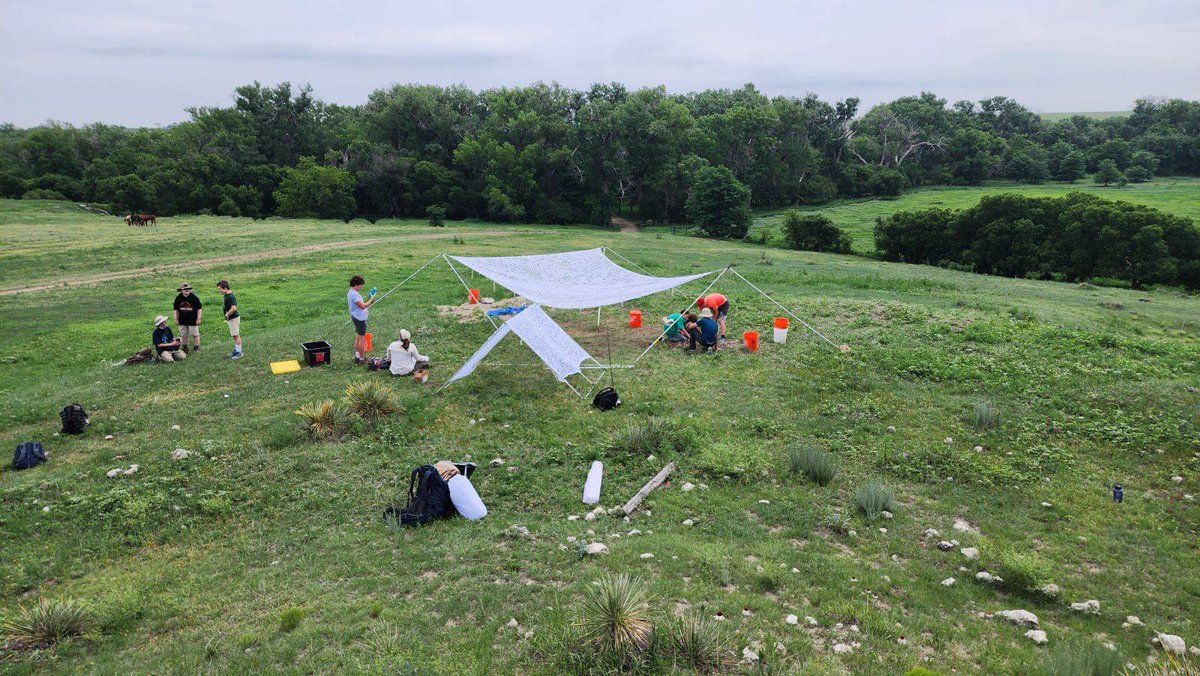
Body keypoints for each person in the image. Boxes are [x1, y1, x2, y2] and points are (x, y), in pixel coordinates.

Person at [347, 275, 378, 364]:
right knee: (362, 339)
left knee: (357, 337)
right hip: (359, 319)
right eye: (361, 285)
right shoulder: (354, 294)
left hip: (355, 317)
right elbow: (363, 306)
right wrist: (371, 299)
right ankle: (361, 359)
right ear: (356, 284)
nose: (361, 286)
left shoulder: (351, 292)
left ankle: (357, 357)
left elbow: (360, 304)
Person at [173, 282, 202, 353]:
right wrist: (176, 318)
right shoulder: (178, 298)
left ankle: (196, 347)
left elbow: (199, 308)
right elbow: (175, 309)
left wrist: (198, 318)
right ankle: (185, 347)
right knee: (183, 334)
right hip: (182, 319)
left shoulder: (194, 298)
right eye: (185, 289)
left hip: (192, 319)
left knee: (195, 334)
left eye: (188, 289)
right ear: (181, 290)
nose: (187, 290)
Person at [217, 280, 242, 360]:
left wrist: (227, 314)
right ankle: (236, 350)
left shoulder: (230, 296)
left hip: (233, 318)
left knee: (236, 336)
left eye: (220, 289)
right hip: (231, 319)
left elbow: (234, 308)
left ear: (225, 288)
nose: (219, 291)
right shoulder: (226, 295)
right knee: (234, 335)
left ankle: (239, 352)